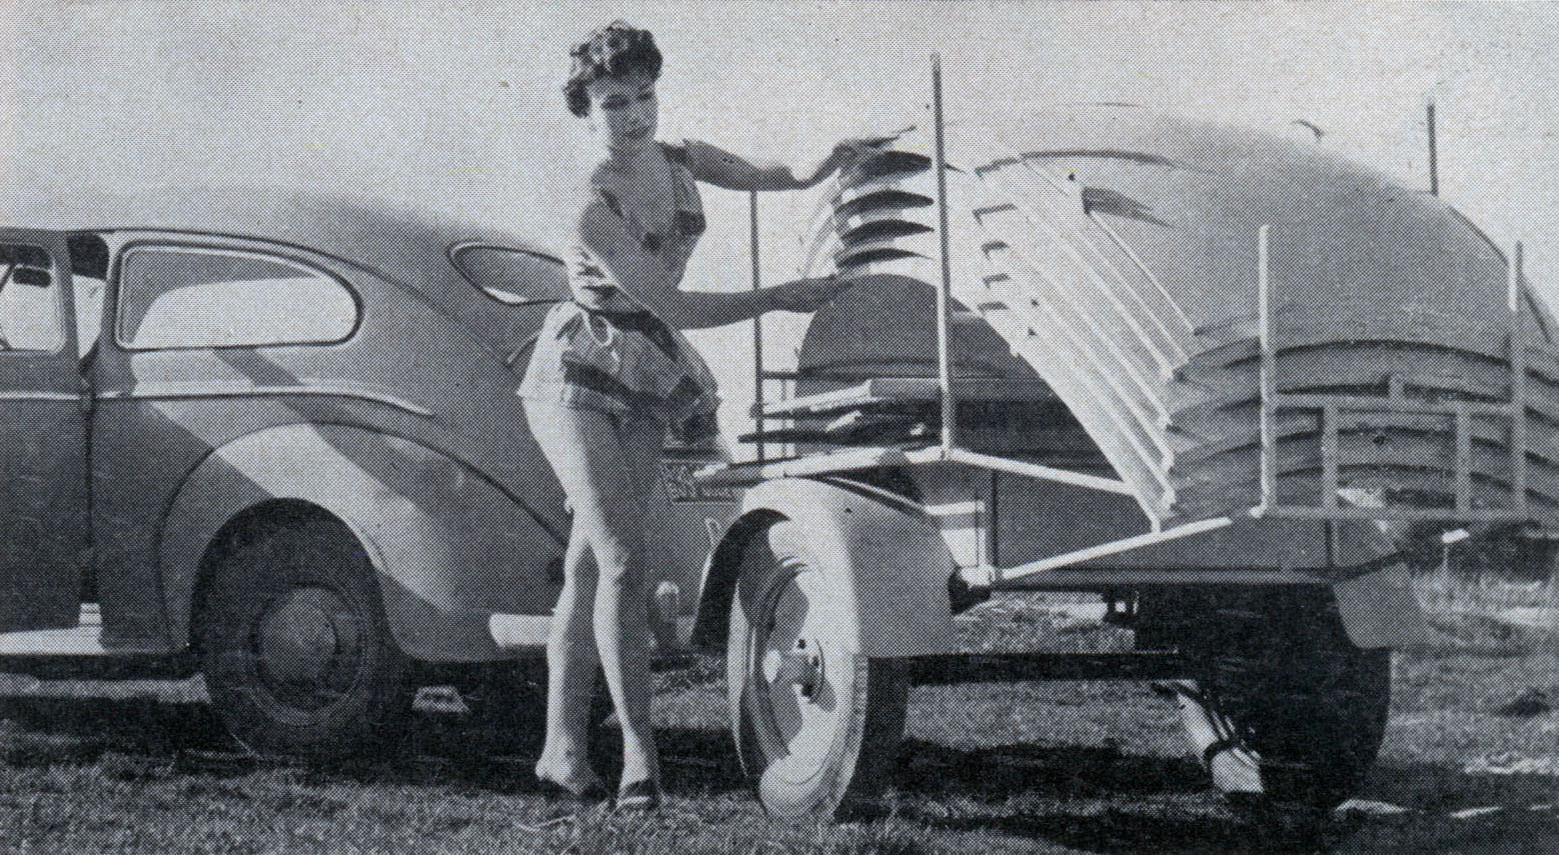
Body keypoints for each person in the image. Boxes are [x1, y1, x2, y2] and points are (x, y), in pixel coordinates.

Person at [518, 20, 883, 812]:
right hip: (580, 367)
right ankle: (638, 761)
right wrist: (778, 296)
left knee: (589, 563)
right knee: (621, 559)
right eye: (614, 103)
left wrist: (820, 165)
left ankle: (560, 747)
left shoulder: (682, 160)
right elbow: (671, 300)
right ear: (585, 110)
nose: (635, 116)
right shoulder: (589, 204)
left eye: (644, 96)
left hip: (648, 367)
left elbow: (773, 174)